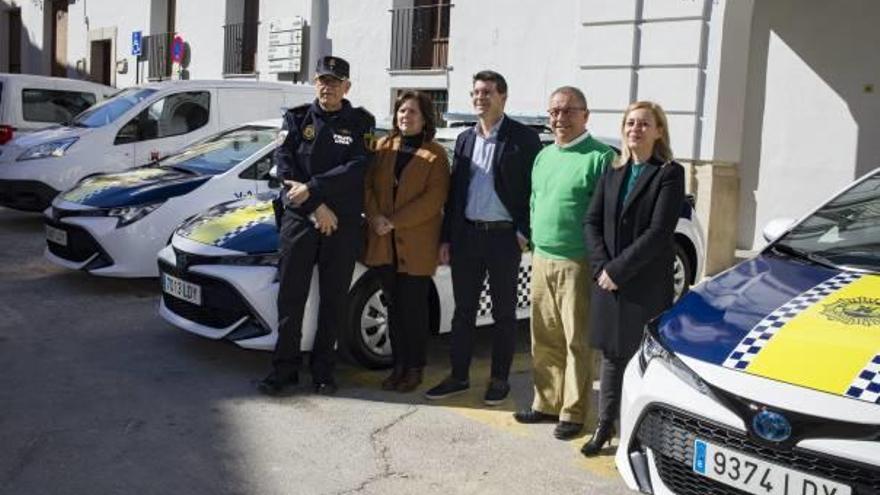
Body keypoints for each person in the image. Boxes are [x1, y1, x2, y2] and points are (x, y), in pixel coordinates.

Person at [258, 55, 375, 396]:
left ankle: (324, 370)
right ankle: (284, 370)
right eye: (323, 80)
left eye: (335, 82)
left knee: (334, 300)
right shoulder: (296, 119)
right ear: (315, 83)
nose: (328, 87)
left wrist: (313, 188)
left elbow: (358, 167)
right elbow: (283, 167)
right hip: (300, 221)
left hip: (342, 224)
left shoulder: (359, 123)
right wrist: (316, 206)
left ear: (347, 87)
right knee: (290, 299)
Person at [424, 70, 542, 405]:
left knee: (504, 313)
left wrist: (524, 232)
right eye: (476, 92)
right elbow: (455, 194)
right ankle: (458, 376)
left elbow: (537, 191)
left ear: (503, 96)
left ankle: (499, 379)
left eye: (488, 92)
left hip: (505, 239)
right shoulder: (464, 139)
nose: (480, 97)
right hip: (467, 238)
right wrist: (447, 238)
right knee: (463, 311)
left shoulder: (523, 139)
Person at [580, 101, 685, 455]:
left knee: (643, 359)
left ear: (658, 131)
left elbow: (658, 233)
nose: (635, 129)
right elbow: (591, 222)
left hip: (644, 284)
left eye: (644, 123)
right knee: (611, 357)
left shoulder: (669, 173)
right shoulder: (612, 171)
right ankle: (604, 426)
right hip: (609, 283)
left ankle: (638, 433)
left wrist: (617, 270)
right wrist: (601, 268)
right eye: (630, 123)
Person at [513, 87, 615, 440]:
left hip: (579, 261)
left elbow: (607, 216)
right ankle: (546, 403)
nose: (559, 118)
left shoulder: (601, 157)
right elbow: (535, 200)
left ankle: (573, 412)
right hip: (542, 257)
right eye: (554, 111)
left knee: (577, 341)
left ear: (586, 115)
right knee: (543, 337)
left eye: (568, 111)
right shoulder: (544, 156)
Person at [362, 91, 450, 393]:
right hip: (383, 242)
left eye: (412, 112)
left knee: (414, 311)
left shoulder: (435, 154)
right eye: (401, 111)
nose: (405, 116)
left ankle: (414, 368)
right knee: (394, 309)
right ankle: (398, 365)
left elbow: (433, 199)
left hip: (417, 245)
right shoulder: (384, 146)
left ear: (425, 118)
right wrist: (375, 217)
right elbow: (369, 187)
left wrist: (394, 222)